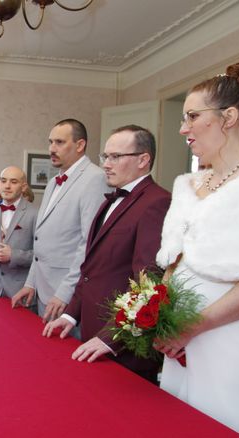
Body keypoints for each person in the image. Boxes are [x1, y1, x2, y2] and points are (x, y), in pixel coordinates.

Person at [154, 63, 239, 434]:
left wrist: (194, 326)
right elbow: (173, 263)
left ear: (229, 117)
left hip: (226, 337)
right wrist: (162, 320)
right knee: (180, 433)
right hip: (180, 342)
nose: (183, 128)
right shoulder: (185, 185)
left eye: (192, 116)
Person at [42, 125, 171, 384]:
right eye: (105, 157)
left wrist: (110, 338)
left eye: (116, 157)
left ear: (143, 160)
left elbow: (149, 283)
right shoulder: (108, 200)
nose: (107, 165)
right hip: (92, 333)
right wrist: (70, 314)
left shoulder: (156, 202)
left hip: (123, 346)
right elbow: (91, 269)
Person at [11, 119, 110, 330]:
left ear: (80, 145)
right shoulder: (51, 183)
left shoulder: (95, 179)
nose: (51, 149)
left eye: (59, 142)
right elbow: (42, 241)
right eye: (50, 142)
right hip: (45, 290)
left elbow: (89, 243)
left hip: (68, 296)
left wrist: (65, 293)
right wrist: (31, 283)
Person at [0, 167, 38, 298]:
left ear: (23, 187)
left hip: (21, 290)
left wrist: (13, 255)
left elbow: (42, 255)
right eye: (3, 181)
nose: (7, 186)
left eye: (14, 182)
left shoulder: (35, 214)